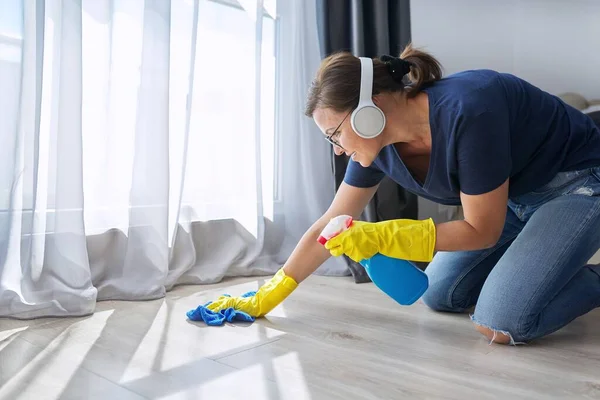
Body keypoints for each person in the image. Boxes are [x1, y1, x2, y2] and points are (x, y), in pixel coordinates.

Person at [207, 43, 600, 345]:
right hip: (512, 199)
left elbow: (482, 230)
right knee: (442, 295)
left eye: (334, 134)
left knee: (501, 322)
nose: (337, 149)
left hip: (577, 183)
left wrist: (382, 235)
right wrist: (267, 295)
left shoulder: (469, 111)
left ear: (369, 108)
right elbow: (330, 223)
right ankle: (541, 270)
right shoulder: (375, 147)